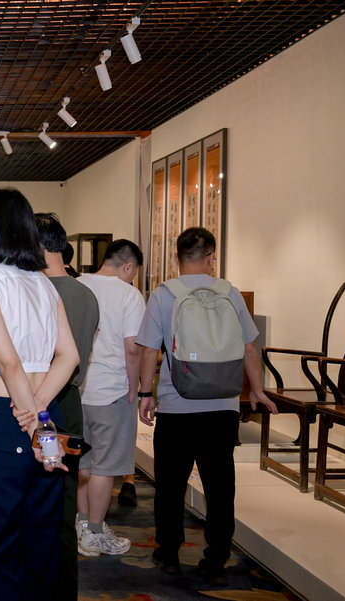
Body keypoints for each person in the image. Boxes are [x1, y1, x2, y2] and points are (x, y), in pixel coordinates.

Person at [137, 227, 278, 585]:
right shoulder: (230, 293)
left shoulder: (164, 294)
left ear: (176, 257)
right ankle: (216, 560)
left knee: (170, 485)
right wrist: (257, 390)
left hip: (177, 406)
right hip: (223, 408)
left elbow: (149, 351)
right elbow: (250, 347)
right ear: (213, 258)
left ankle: (169, 553)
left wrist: (145, 393)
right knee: (220, 486)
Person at [0, 188, 79, 601]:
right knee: (40, 534)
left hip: (4, 418)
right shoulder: (44, 283)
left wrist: (33, 427)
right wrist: (42, 415)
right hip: (45, 415)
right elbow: (69, 357)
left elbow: (8, 364)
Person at [34, 212, 99, 599]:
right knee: (64, 501)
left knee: (35, 499)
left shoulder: (38, 292)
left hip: (40, 404)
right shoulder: (85, 293)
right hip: (70, 402)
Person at [76, 239, 146, 557]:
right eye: (134, 273)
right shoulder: (129, 295)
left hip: (76, 389)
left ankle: (82, 522)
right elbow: (133, 349)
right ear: (128, 266)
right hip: (111, 391)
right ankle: (94, 532)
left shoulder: (77, 285)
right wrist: (136, 386)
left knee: (81, 462)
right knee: (104, 467)